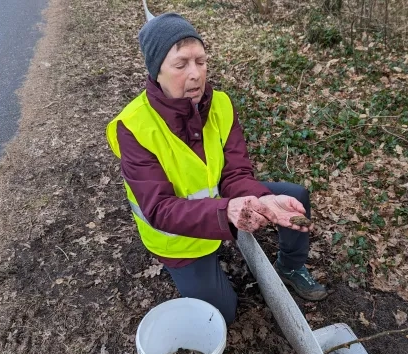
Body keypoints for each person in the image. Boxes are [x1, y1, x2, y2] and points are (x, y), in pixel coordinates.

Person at [106, 13, 327, 325]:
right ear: (156, 72)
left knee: (295, 197)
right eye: (181, 65)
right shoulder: (133, 126)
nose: (196, 74)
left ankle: (290, 266)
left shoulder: (220, 105)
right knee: (223, 314)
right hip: (177, 239)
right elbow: (158, 208)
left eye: (201, 61)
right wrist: (226, 212)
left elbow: (235, 173)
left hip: (220, 207)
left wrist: (259, 200)